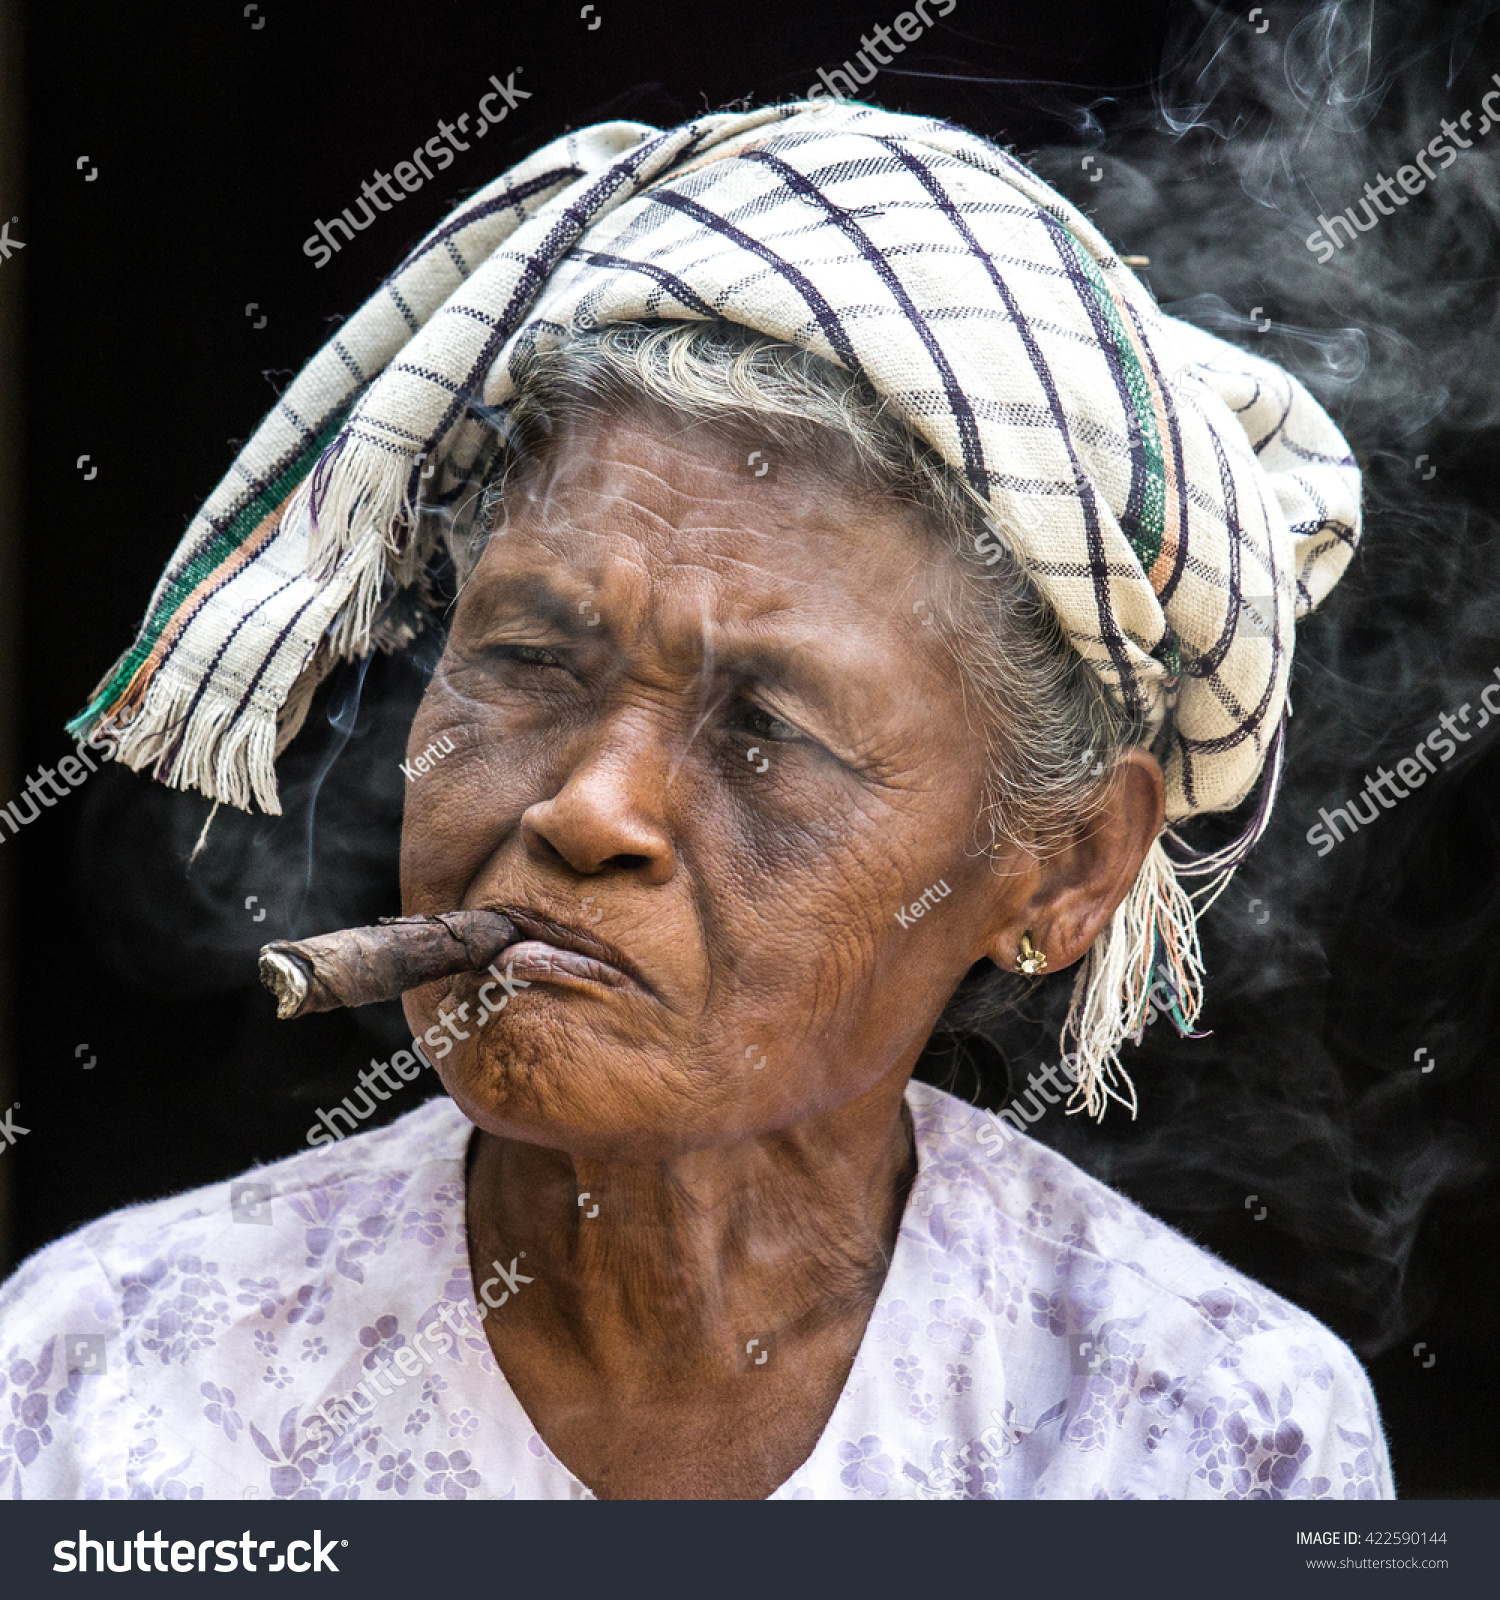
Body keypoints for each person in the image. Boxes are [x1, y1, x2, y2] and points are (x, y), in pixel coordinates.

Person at [0, 100, 1390, 1499]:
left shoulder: (1213, 1439)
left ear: (1066, 867)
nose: (590, 811)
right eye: (530, 659)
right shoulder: (105, 1381)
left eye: (767, 732)